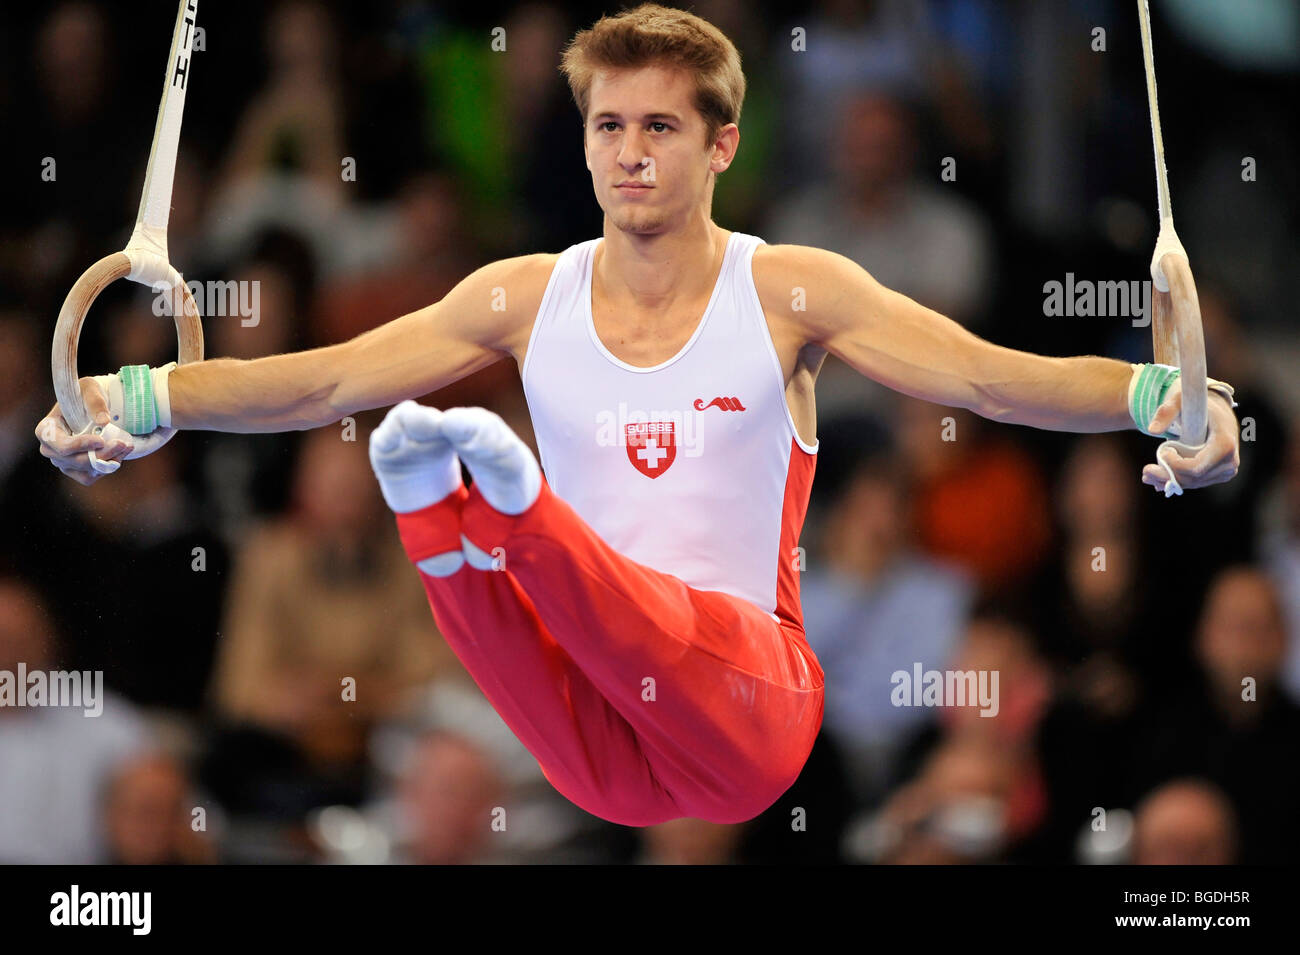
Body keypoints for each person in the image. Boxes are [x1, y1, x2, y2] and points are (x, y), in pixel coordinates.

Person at [35, 4, 1240, 826]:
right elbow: (322, 377)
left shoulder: (788, 291)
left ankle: (508, 514)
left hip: (749, 711)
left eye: (659, 126)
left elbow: (986, 376)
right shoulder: (521, 296)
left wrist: (1165, 394)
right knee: (478, 569)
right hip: (596, 741)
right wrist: (138, 395)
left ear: (722, 144)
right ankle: (441, 509)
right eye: (608, 126)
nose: (629, 153)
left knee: (579, 573)